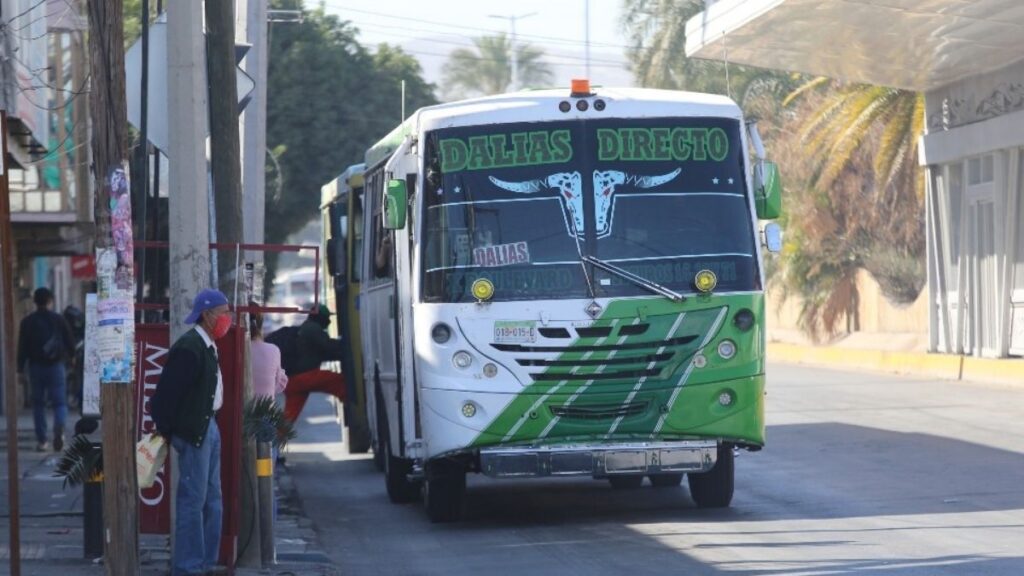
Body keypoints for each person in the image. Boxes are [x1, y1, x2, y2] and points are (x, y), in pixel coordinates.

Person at [151, 288, 232, 576]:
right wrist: (170, 431)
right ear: (207, 315)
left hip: (208, 426)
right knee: (193, 501)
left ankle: (206, 562)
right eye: (224, 313)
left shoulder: (208, 345)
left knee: (212, 499)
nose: (228, 319)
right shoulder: (189, 347)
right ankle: (188, 567)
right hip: (195, 431)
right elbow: (167, 395)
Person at [17, 287, 74, 452]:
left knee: (38, 404)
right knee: (60, 402)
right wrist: (72, 357)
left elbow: (22, 348)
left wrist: (20, 369)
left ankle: (42, 441)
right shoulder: (58, 319)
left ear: (35, 302)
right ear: (50, 301)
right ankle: (59, 429)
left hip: (35, 367)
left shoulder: (27, 322)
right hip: (56, 366)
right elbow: (69, 340)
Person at [282, 304, 347, 423]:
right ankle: (355, 408)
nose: (329, 321)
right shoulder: (313, 328)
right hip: (304, 377)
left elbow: (320, 352)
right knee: (340, 381)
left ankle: (271, 434)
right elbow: (329, 346)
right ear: (321, 317)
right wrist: (346, 344)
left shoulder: (305, 328)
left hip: (292, 381)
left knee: (287, 419)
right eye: (327, 318)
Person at [249, 310, 288, 400]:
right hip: (264, 407)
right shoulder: (273, 350)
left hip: (235, 406)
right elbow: (278, 384)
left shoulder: (235, 348)